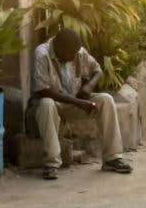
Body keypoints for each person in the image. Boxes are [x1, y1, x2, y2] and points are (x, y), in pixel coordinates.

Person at [30, 27, 133, 180]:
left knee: (106, 99)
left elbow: (97, 71)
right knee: (46, 103)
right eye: (70, 54)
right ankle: (52, 164)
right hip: (53, 105)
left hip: (74, 102)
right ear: (58, 47)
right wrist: (79, 102)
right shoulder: (42, 54)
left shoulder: (78, 52)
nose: (74, 57)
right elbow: (42, 91)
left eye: (75, 54)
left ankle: (112, 158)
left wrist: (88, 86)